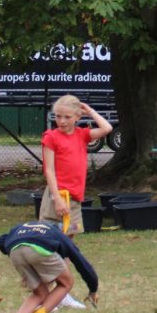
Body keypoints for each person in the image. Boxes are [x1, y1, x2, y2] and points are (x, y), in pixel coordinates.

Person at [0, 216, 100, 313]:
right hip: (40, 249)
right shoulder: (59, 235)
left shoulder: (23, 227)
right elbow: (82, 264)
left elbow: (0, 240)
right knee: (66, 283)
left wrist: (21, 260)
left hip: (14, 249)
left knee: (40, 293)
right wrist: (93, 289)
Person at [40, 95, 112, 235]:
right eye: (58, 116)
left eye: (67, 117)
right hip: (57, 194)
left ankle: (67, 252)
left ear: (78, 117)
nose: (62, 121)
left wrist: (90, 111)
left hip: (74, 195)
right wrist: (57, 198)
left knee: (70, 234)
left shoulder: (82, 135)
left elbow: (107, 128)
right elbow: (49, 170)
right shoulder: (51, 137)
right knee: (51, 235)